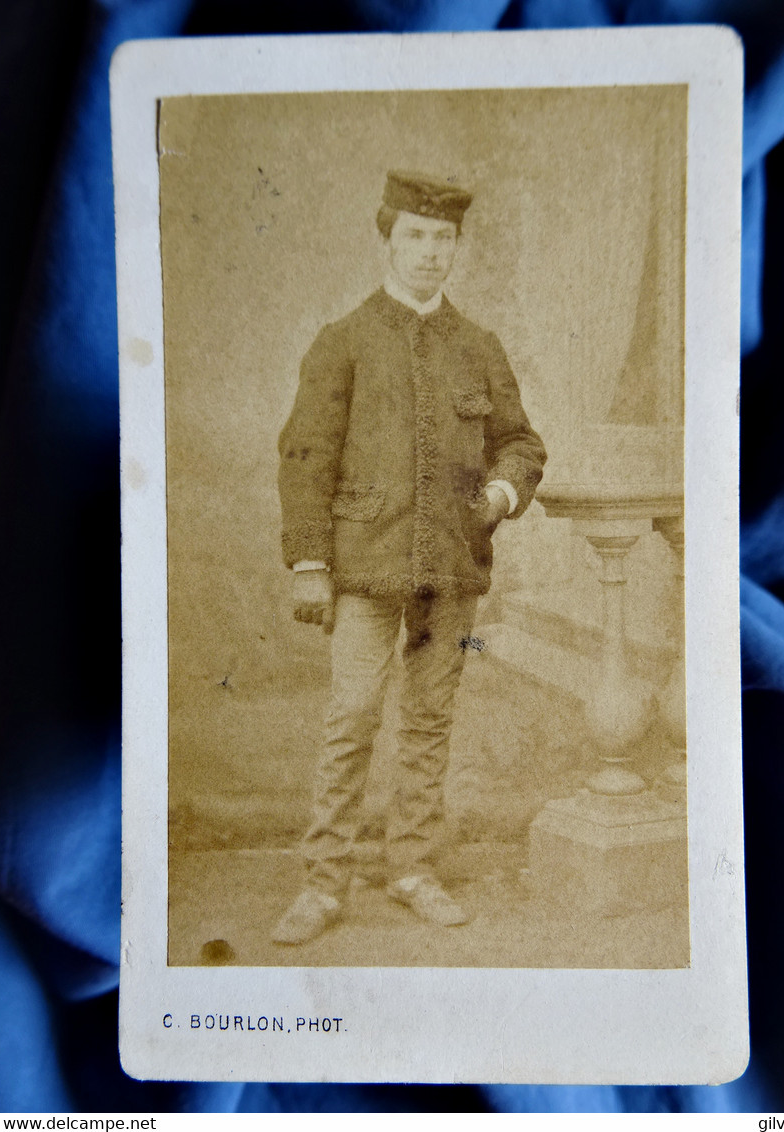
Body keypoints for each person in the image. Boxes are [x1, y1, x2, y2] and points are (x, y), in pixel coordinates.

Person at [273, 170, 546, 944]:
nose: (429, 254)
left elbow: (521, 442)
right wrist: (308, 562)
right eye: (415, 238)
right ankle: (323, 883)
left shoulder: (478, 346)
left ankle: (411, 868)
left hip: (453, 568)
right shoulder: (344, 341)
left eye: (443, 239)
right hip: (362, 565)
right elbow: (305, 455)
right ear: (388, 240)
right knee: (350, 719)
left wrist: (499, 494)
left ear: (457, 247)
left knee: (428, 721)